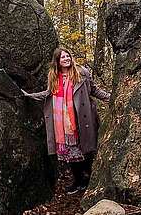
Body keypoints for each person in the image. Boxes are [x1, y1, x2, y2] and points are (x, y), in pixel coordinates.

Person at [23, 47, 110, 194]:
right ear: (57, 61)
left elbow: (94, 90)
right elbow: (47, 93)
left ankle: (87, 179)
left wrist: (110, 97)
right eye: (63, 57)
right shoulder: (54, 77)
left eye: (68, 56)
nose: (66, 59)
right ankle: (78, 181)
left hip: (79, 119)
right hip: (61, 122)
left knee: (84, 151)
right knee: (69, 154)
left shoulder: (82, 73)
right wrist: (29, 96)